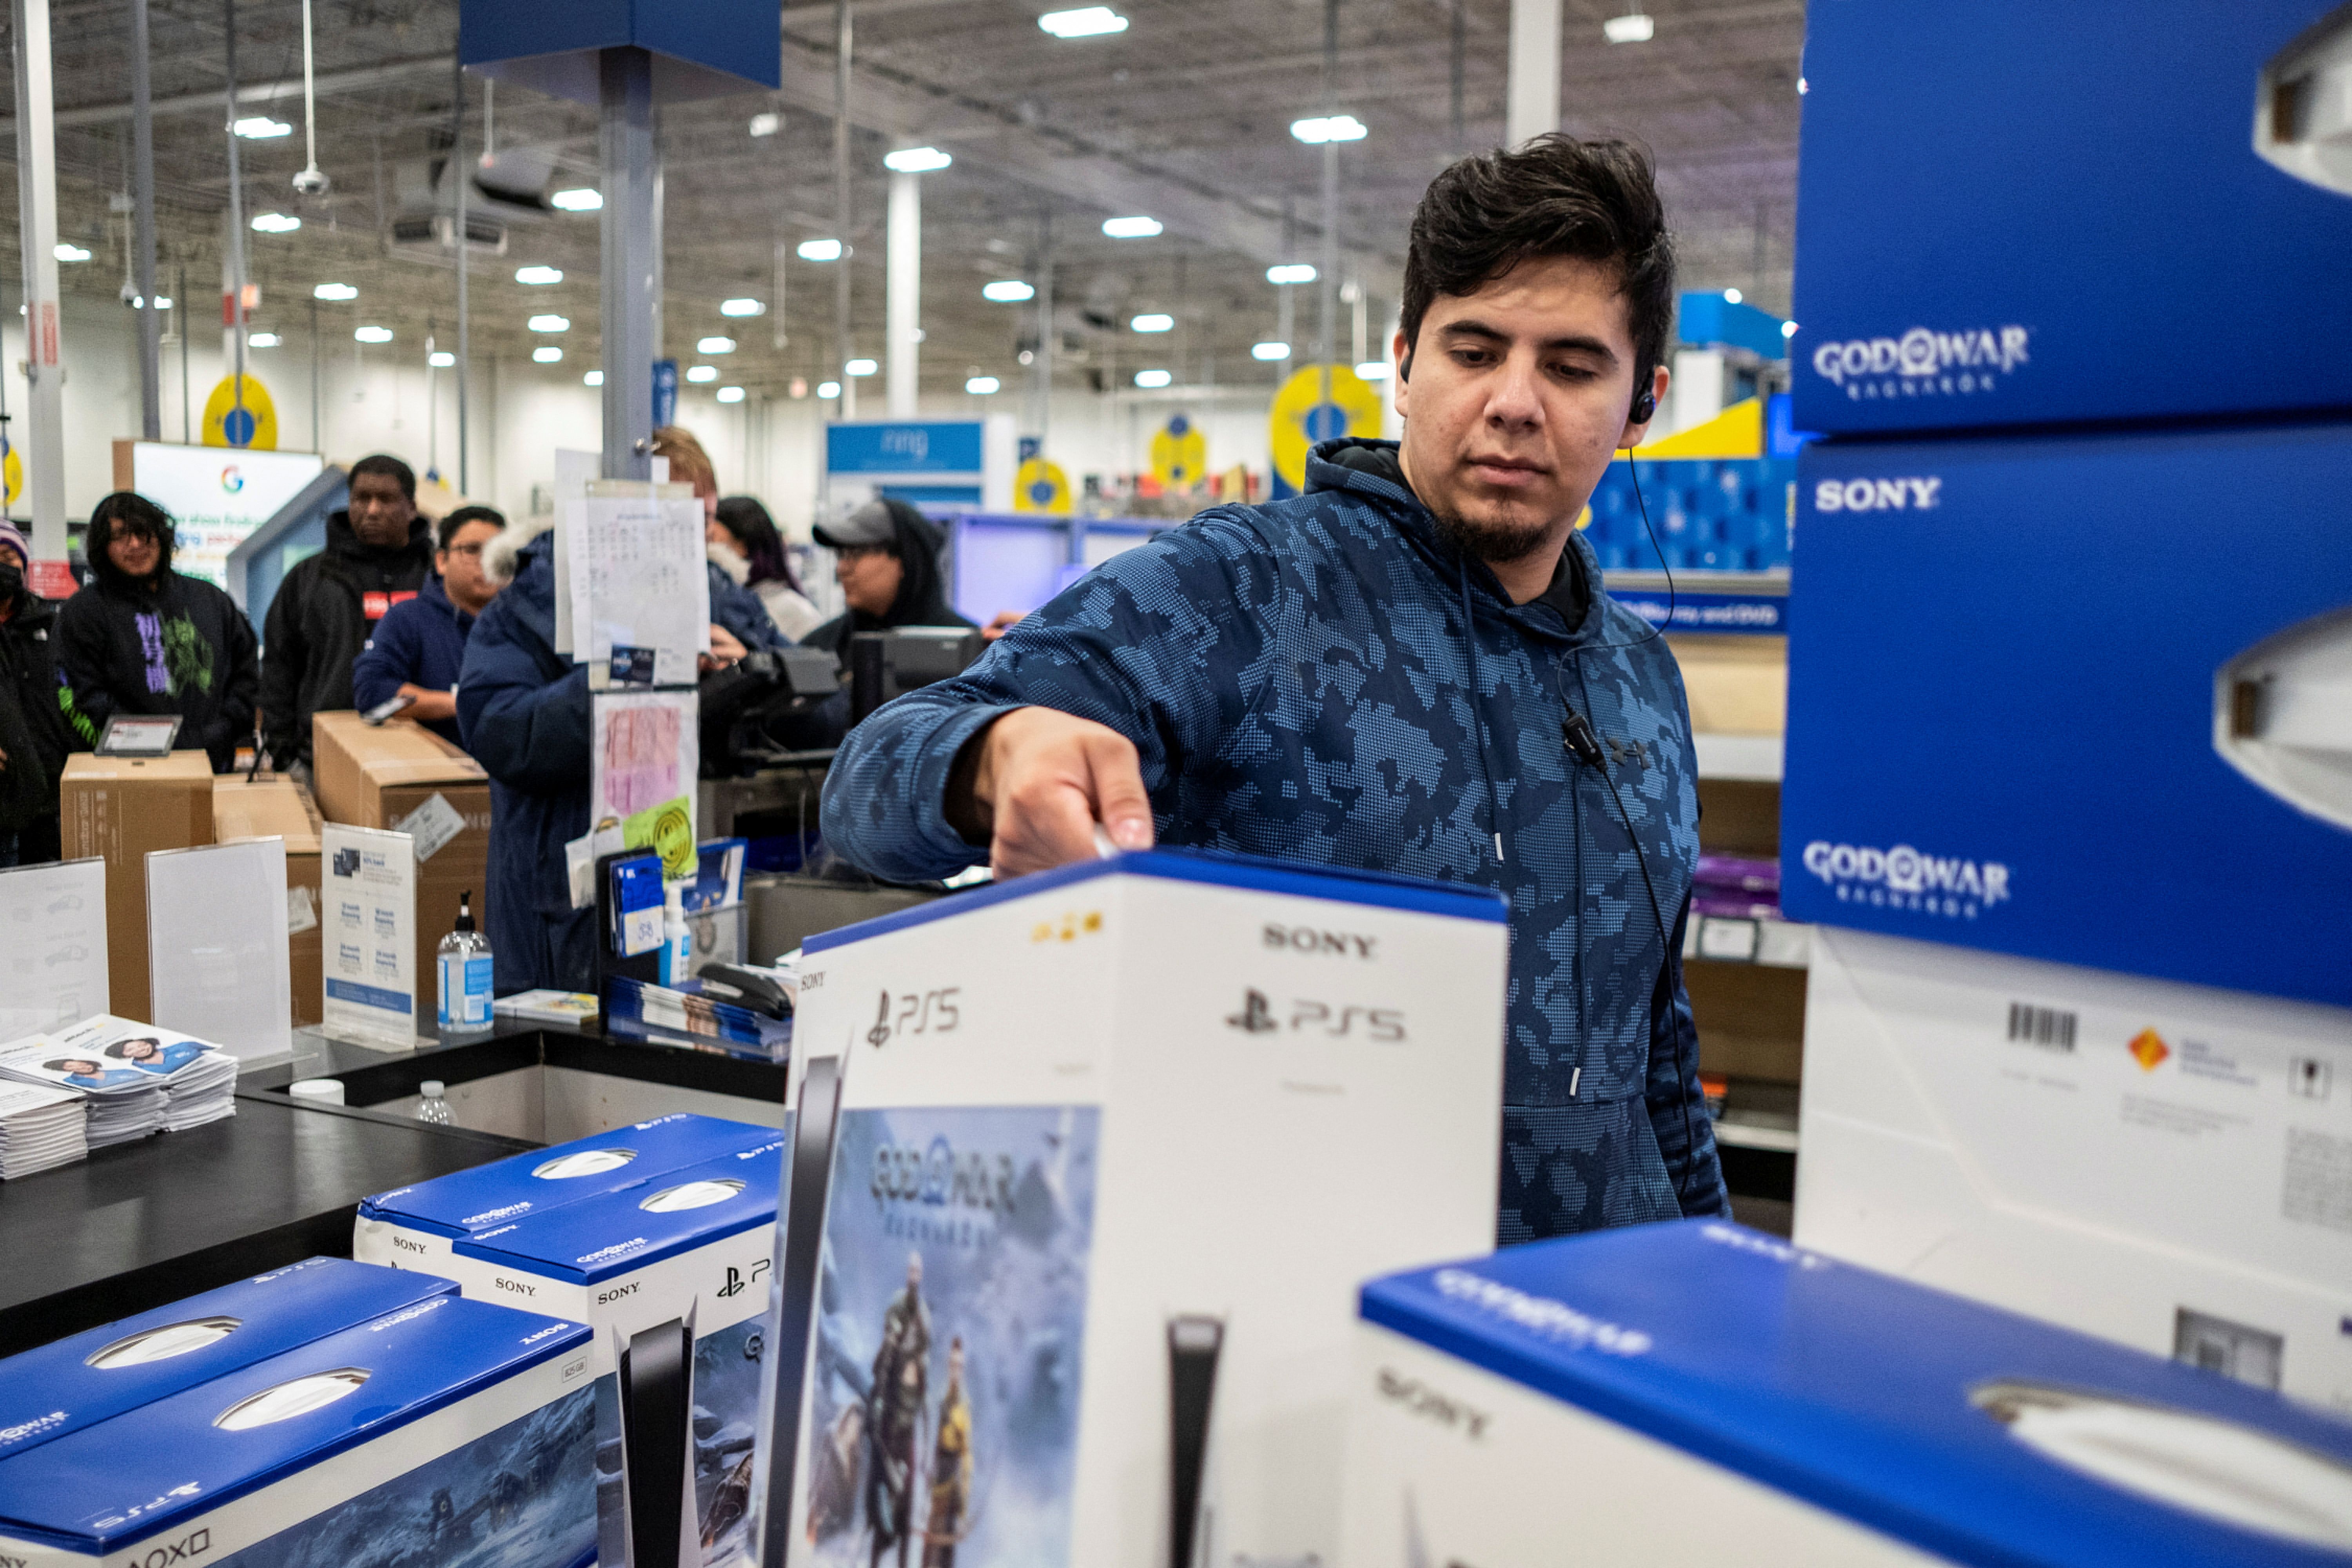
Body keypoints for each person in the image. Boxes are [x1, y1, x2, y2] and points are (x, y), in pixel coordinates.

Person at [818, 134, 1726, 1242]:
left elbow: (1656, 1053)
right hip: (1292, 1325)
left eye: (1574, 367)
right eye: (1474, 350)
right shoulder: (1246, 589)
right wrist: (996, 757)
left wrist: (1711, 1275)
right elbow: (872, 777)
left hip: (1589, 1332)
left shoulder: (1640, 677)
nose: (1514, 402)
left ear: (1645, 403)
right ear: (1404, 363)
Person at [459, 513, 782, 995]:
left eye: (709, 515)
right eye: (674, 507)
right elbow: (500, 733)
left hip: (684, 876)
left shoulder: (718, 595)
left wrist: (756, 669)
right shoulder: (529, 604)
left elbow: (826, 701)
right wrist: (628, 672)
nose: (700, 530)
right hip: (558, 902)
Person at [55, 493, 259, 774]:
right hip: (129, 773)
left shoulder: (209, 599)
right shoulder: (83, 612)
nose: (136, 545)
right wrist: (142, 743)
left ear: (162, 535)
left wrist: (226, 727)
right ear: (103, 547)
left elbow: (247, 669)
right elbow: (81, 695)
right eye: (120, 537)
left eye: (142, 532)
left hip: (213, 763)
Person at [261, 453, 435, 773]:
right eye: (361, 499)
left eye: (386, 499)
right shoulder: (310, 578)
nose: (372, 510)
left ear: (411, 507)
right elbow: (279, 666)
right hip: (324, 758)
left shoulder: (437, 578)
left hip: (427, 755)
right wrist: (284, 748)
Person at [352, 505, 506, 747]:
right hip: (439, 772)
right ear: (442, 561)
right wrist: (461, 704)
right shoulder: (406, 620)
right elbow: (373, 692)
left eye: (497, 553)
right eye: (472, 550)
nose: (486, 562)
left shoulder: (524, 626)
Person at [651, 426, 797, 652]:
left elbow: (811, 674)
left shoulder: (724, 592)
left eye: (705, 520)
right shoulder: (596, 596)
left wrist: (746, 666)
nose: (691, 534)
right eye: (677, 516)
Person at [804, 497, 975, 662]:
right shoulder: (819, 650)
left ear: (904, 561)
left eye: (855, 553)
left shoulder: (970, 652)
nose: (841, 569)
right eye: (841, 555)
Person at [0, 520, 81, 866]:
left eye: (8, 556)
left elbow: (68, 697)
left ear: (23, 564)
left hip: (47, 797)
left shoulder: (48, 623)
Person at [866, 1252, 930, 1568]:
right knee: (881, 1503)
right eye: (911, 1269)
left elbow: (924, 1394)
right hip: (889, 1424)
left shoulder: (923, 1317)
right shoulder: (898, 1306)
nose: (914, 1274)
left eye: (918, 1270)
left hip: (908, 1433)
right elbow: (885, 1359)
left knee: (905, 1513)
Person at [710, 494, 823, 642]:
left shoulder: (793, 610)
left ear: (744, 546)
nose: (708, 549)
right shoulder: (726, 603)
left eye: (714, 540)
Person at [922, 1336, 971, 1568]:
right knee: (929, 1545)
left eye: (959, 1366)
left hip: (952, 1484)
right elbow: (930, 1443)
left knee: (944, 1552)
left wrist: (963, 1513)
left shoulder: (964, 1407)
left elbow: (967, 1458)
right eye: (953, 1365)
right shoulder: (939, 1400)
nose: (955, 1371)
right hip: (935, 1477)